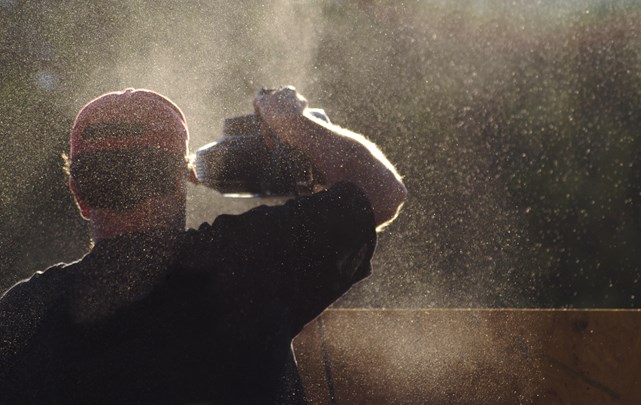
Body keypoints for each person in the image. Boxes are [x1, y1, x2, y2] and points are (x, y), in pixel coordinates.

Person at [0, 87, 406, 404]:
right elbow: (382, 191)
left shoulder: (22, 315)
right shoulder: (245, 262)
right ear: (182, 181)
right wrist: (293, 122)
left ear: (78, 193)